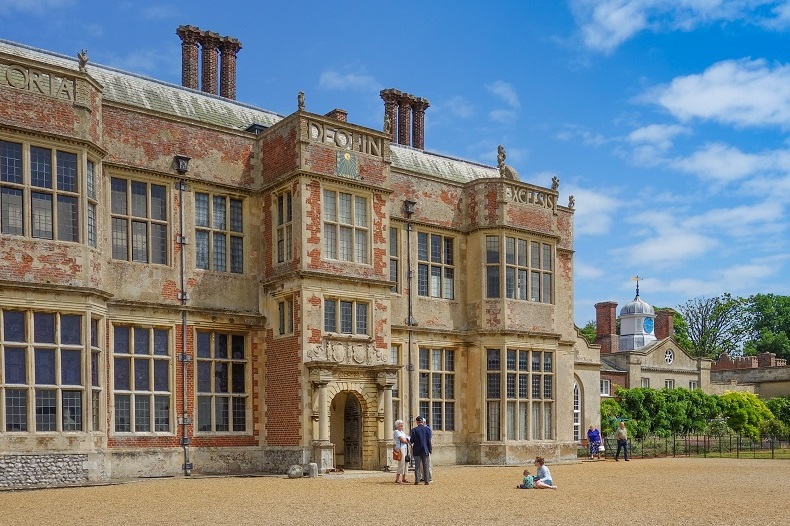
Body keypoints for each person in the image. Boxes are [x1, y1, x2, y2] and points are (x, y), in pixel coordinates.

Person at [409, 415, 432, 485]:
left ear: (417, 422)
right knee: (426, 465)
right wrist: (430, 449)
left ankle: (417, 480)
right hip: (425, 449)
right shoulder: (427, 429)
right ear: (422, 421)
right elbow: (428, 440)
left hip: (417, 450)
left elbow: (412, 440)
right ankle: (427, 480)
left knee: (417, 466)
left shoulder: (414, 430)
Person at [393, 419, 410, 484]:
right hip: (400, 449)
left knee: (406, 462)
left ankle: (404, 478)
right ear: (397, 425)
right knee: (401, 463)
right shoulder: (397, 432)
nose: (401, 424)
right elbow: (403, 440)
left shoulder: (402, 432)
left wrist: (406, 440)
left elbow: (407, 439)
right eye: (400, 423)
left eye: (402, 423)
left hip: (405, 448)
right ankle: (398, 479)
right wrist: (406, 440)